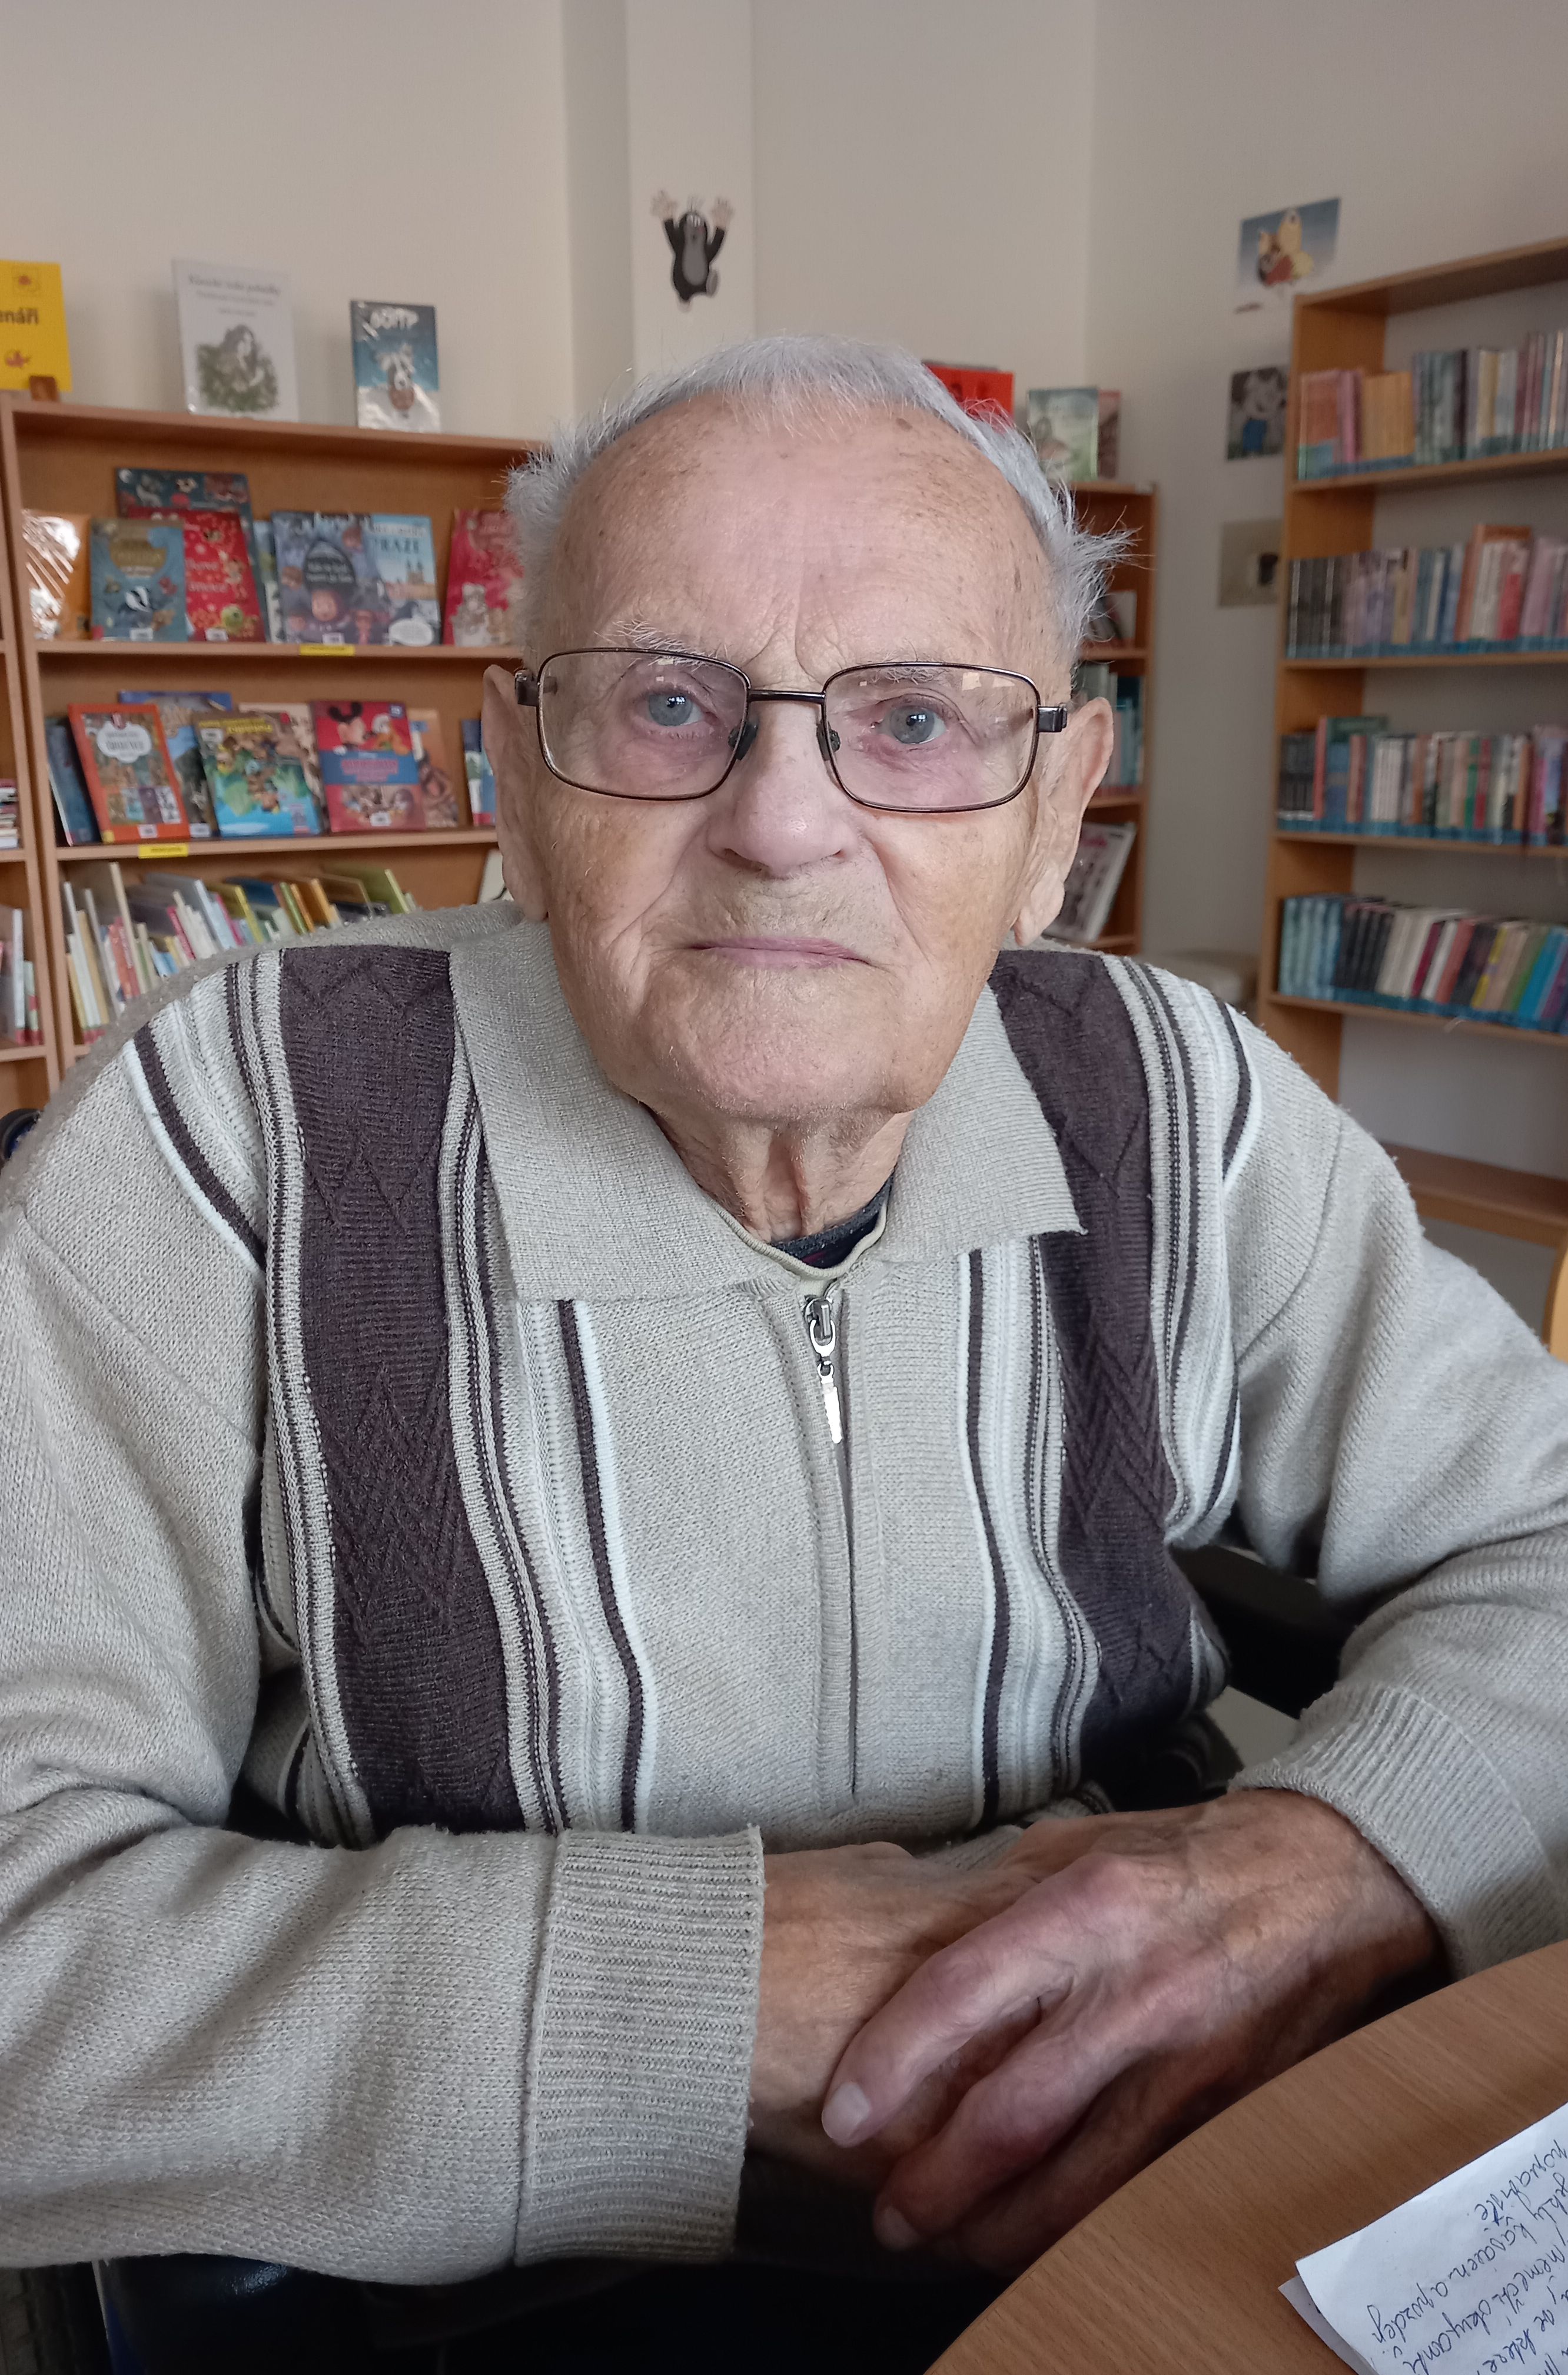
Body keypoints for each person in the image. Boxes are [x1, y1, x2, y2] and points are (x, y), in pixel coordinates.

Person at [2, 334, 1567, 2373]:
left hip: (1169, 2158)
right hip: (477, 2276)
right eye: (670, 703)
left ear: (1056, 812)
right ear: (515, 777)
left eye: (914, 718)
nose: (783, 820)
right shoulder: (228, 1134)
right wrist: (699, 2005)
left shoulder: (1181, 1100)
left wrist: (1326, 1857)